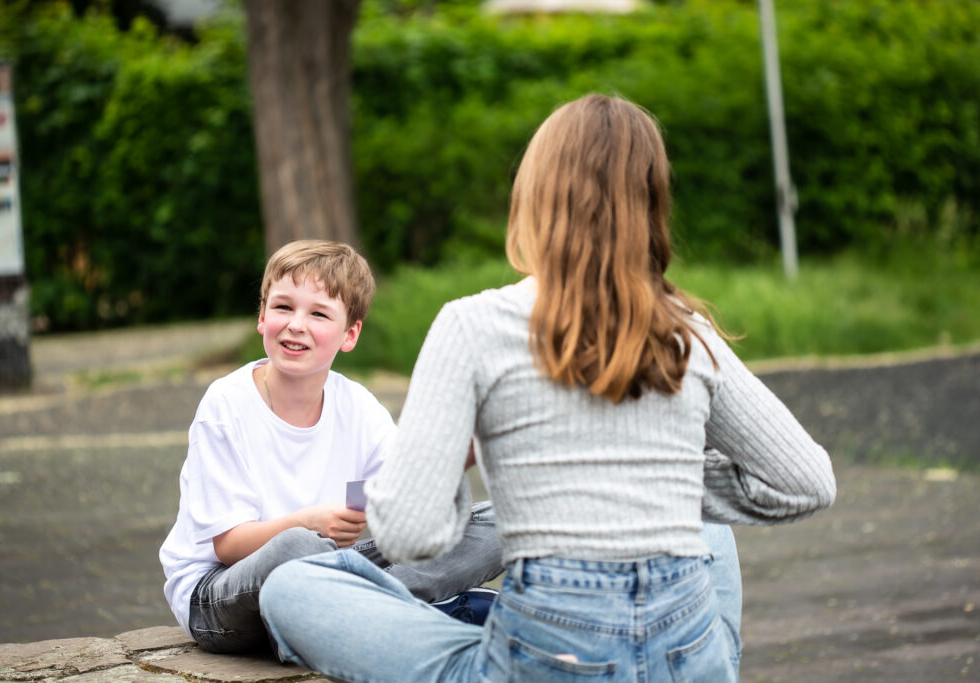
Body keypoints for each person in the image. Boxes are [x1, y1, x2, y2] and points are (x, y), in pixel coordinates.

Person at [258, 95, 837, 681]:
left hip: (549, 655)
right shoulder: (687, 329)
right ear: (652, 202)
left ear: (533, 195)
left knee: (292, 585)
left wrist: (458, 468)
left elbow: (411, 533)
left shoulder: (474, 326)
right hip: (687, 652)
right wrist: (645, 478)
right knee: (698, 521)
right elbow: (806, 483)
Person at [158, 240, 504, 655]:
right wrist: (311, 521)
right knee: (297, 545)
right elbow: (227, 546)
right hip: (221, 593)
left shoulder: (357, 407)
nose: (296, 324)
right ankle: (403, 614)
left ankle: (352, 618)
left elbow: (399, 490)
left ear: (349, 334)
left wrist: (451, 457)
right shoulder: (225, 403)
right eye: (284, 307)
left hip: (327, 573)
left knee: (501, 518)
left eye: (319, 313)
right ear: (262, 315)